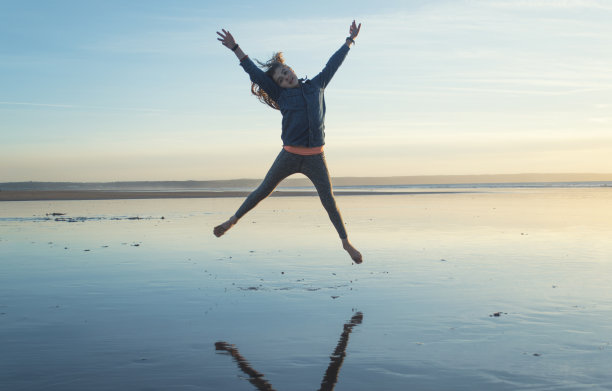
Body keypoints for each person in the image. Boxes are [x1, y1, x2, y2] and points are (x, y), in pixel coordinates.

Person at [214, 21, 363, 264]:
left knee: (328, 200)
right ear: (279, 86)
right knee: (263, 190)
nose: (286, 77)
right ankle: (232, 220)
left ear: (292, 69)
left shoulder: (317, 85)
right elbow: (253, 71)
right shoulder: (281, 95)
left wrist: (349, 41)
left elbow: (333, 63)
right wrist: (236, 48)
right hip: (290, 155)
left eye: (286, 71)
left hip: (316, 157)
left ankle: (346, 243)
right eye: (281, 78)